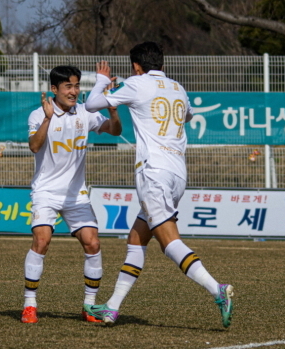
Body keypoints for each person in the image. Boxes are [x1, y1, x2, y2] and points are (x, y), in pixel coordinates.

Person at [83, 42, 234, 328]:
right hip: (177, 173)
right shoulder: (178, 87)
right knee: (136, 240)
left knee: (169, 242)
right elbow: (187, 115)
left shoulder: (137, 83)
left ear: (136, 66)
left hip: (153, 172)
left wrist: (103, 81)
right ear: (161, 64)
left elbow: (91, 105)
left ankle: (218, 290)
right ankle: (112, 307)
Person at [21, 65, 122, 324]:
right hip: (46, 192)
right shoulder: (38, 114)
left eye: (77, 86)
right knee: (41, 241)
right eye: (68, 86)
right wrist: (46, 119)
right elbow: (34, 146)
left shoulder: (85, 113)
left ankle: (89, 307)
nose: (74, 91)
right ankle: (29, 304)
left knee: (93, 244)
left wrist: (112, 108)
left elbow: (115, 130)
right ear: (54, 89)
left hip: (77, 195)